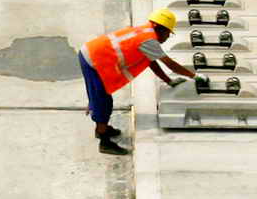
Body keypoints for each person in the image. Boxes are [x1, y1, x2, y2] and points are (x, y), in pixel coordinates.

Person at [76, 9, 191, 153]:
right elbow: (170, 64)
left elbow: (151, 62)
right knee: (103, 101)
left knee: (100, 97)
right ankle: (104, 141)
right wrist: (193, 76)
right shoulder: (149, 40)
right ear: (158, 28)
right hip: (93, 61)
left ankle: (102, 128)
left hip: (92, 55)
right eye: (168, 32)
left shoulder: (144, 32)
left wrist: (168, 80)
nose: (168, 37)